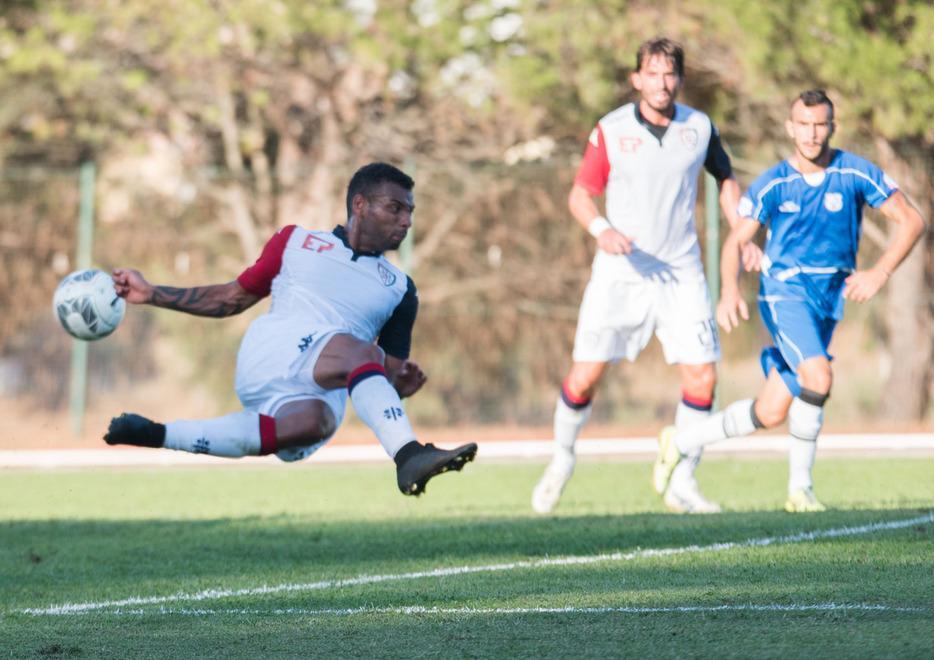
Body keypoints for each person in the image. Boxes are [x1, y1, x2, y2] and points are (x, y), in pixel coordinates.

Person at [104, 162, 477, 496]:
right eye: (395, 208)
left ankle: (156, 434)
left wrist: (399, 387)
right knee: (365, 352)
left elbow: (385, 377)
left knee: (316, 423)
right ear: (360, 204)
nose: (406, 221)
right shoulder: (296, 242)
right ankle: (409, 455)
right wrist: (151, 293)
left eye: (410, 211)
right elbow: (231, 298)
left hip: (321, 387)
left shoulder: (401, 289)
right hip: (272, 353)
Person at [655, 90, 926, 512]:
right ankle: (800, 491)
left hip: (828, 301)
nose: (812, 133)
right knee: (818, 376)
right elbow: (736, 242)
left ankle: (681, 440)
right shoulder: (774, 183)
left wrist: (880, 272)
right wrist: (729, 290)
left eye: (820, 124)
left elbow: (912, 220)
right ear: (790, 128)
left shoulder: (855, 172)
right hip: (785, 293)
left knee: (771, 411)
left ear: (832, 127)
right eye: (804, 124)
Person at [531, 37, 760, 514]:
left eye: (670, 73)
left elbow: (726, 180)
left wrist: (743, 233)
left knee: (703, 376)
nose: (662, 82)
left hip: (681, 271)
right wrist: (602, 230)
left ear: (680, 78)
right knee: (585, 376)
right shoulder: (612, 130)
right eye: (652, 73)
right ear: (636, 79)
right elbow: (580, 195)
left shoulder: (699, 127)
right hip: (622, 273)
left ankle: (682, 480)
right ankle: (562, 459)